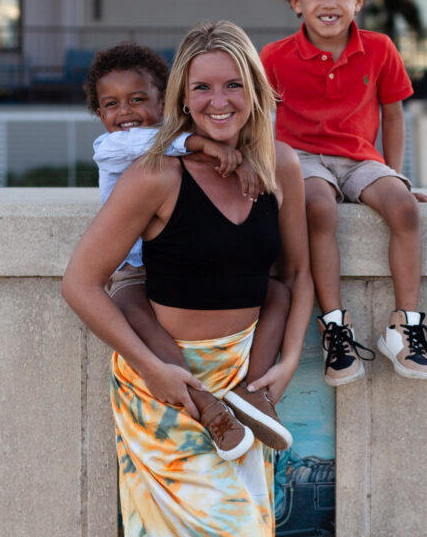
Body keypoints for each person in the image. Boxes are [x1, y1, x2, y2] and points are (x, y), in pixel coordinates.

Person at [62, 21, 313, 537]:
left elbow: (289, 275)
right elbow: (83, 283)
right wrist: (155, 369)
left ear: (255, 90)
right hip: (159, 395)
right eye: (201, 86)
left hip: (243, 382)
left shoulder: (279, 168)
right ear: (182, 96)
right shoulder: (155, 175)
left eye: (233, 83)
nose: (218, 99)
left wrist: (287, 359)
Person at [83, 42, 293, 459]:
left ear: (164, 102)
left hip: (176, 282)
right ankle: (207, 407)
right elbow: (163, 142)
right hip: (131, 264)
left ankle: (252, 393)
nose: (124, 112)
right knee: (132, 304)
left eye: (138, 99)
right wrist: (211, 146)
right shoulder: (119, 145)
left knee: (278, 294)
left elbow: (295, 270)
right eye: (111, 104)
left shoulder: (274, 163)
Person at [261, 0, 427, 385]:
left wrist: (396, 173)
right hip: (302, 157)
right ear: (295, 2)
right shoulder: (274, 57)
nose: (330, 3)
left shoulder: (380, 49)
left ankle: (405, 328)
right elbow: (259, 120)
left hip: (359, 157)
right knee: (318, 209)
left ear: (359, 0)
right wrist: (267, 172)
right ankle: (336, 330)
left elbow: (393, 113)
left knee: (402, 207)